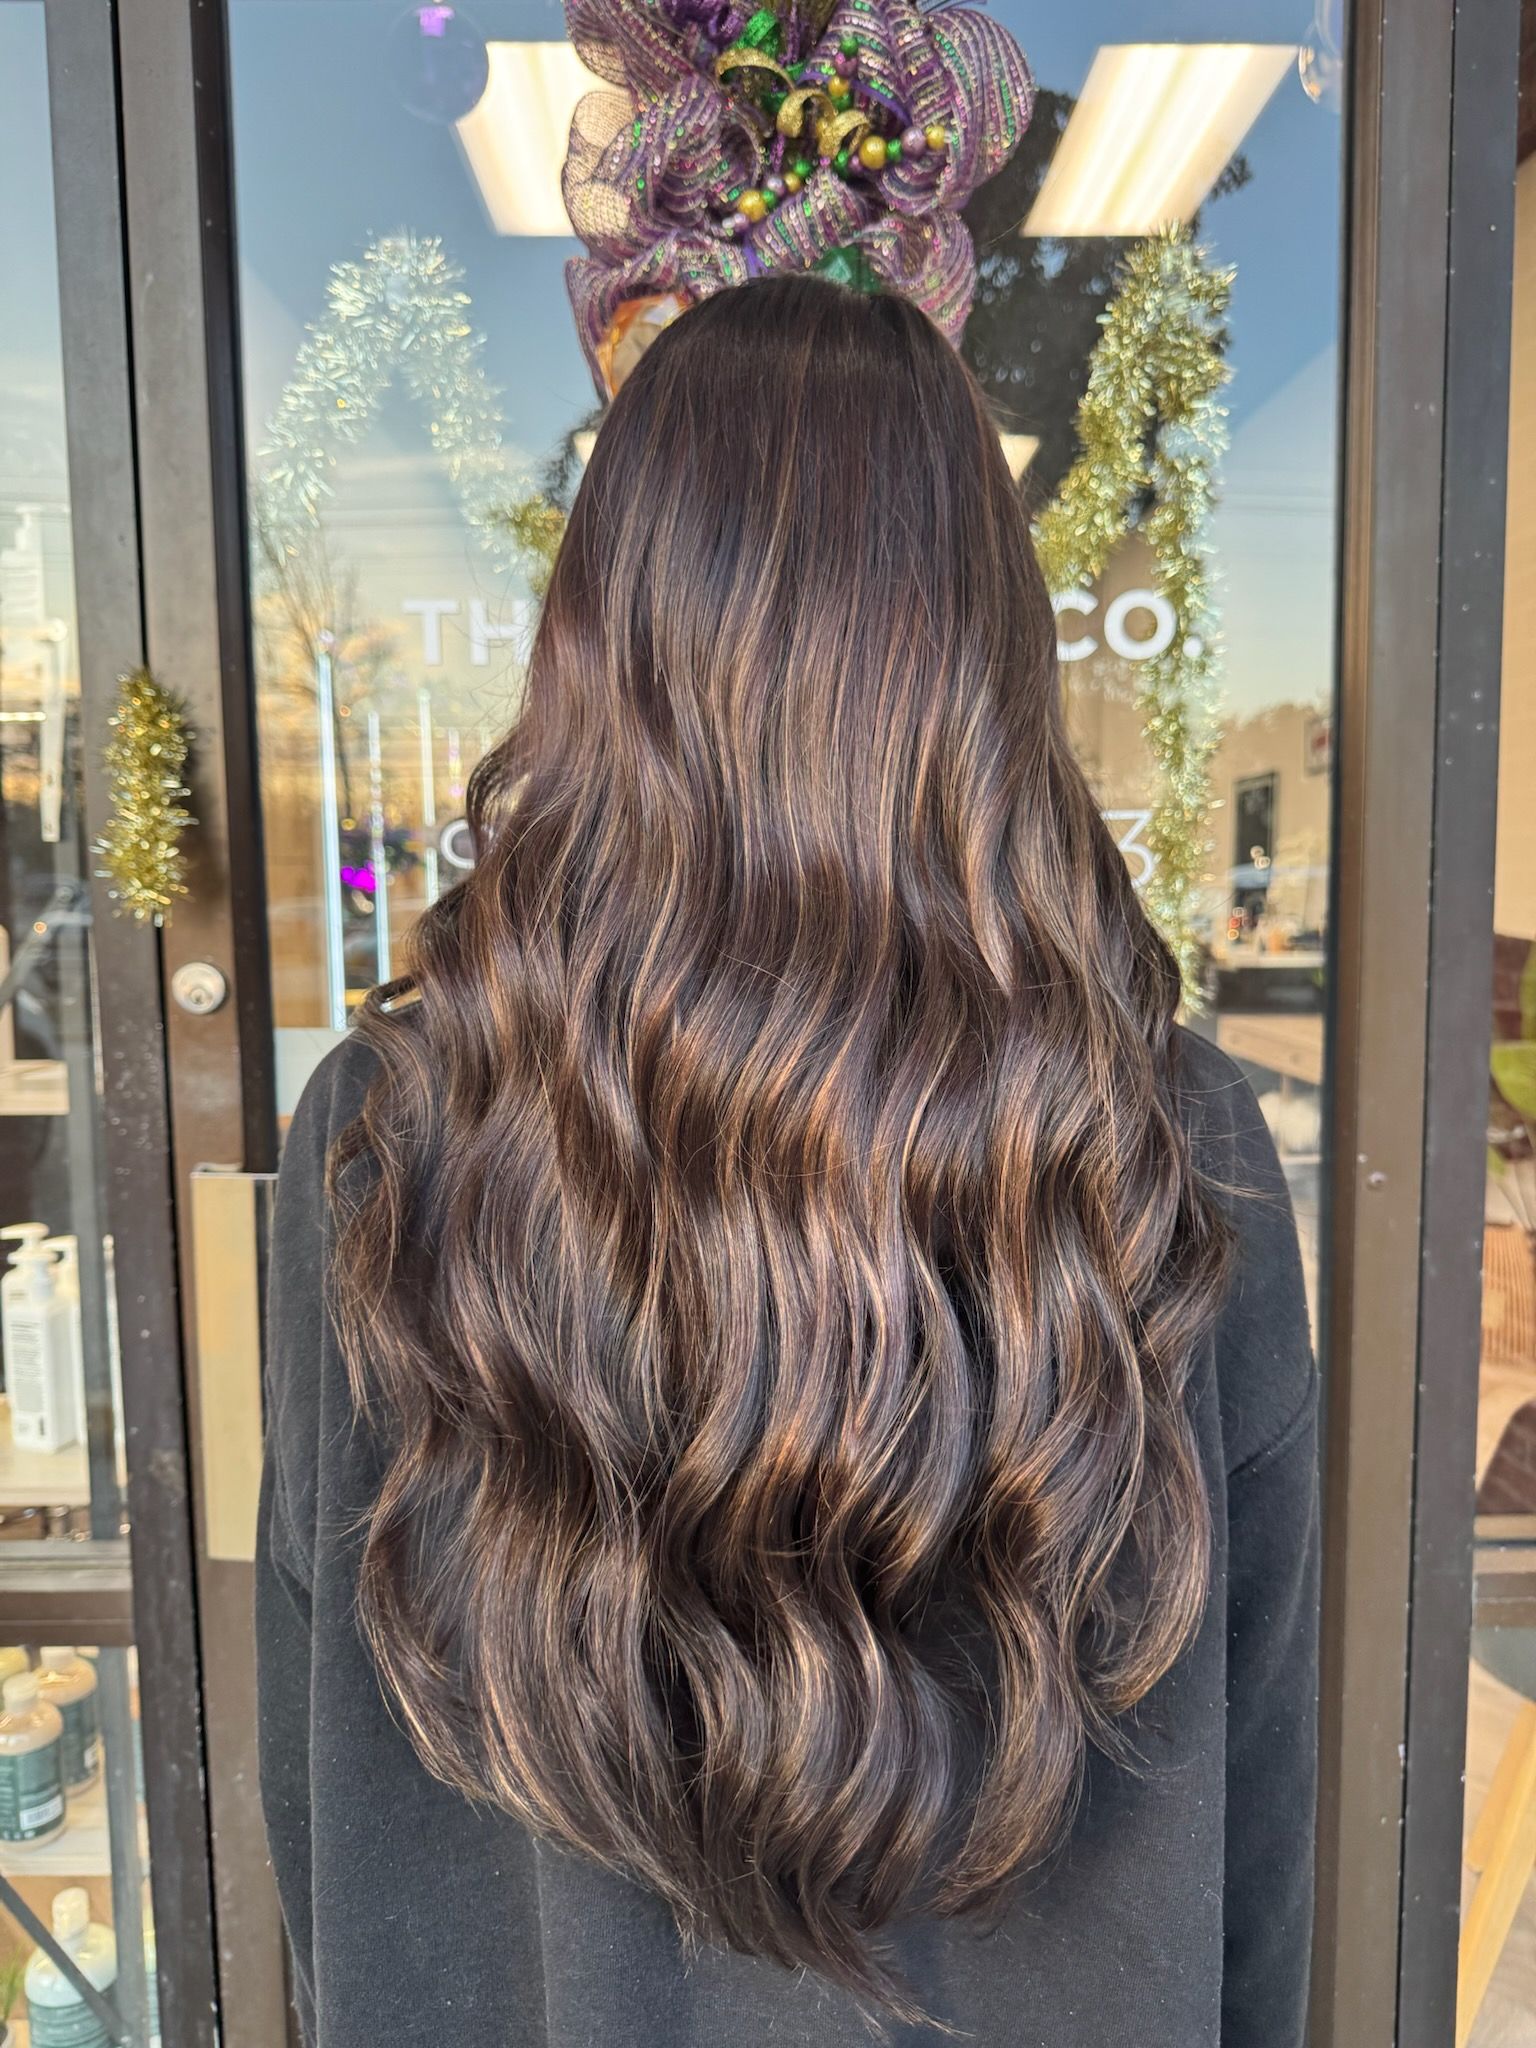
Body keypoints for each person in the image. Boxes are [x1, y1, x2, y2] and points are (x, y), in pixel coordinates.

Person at [255, 276, 1318, 2047]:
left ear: (605, 636)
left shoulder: (394, 1142)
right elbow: (1258, 1781)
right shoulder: (1160, 1145)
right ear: (985, 653)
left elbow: (328, 1774)